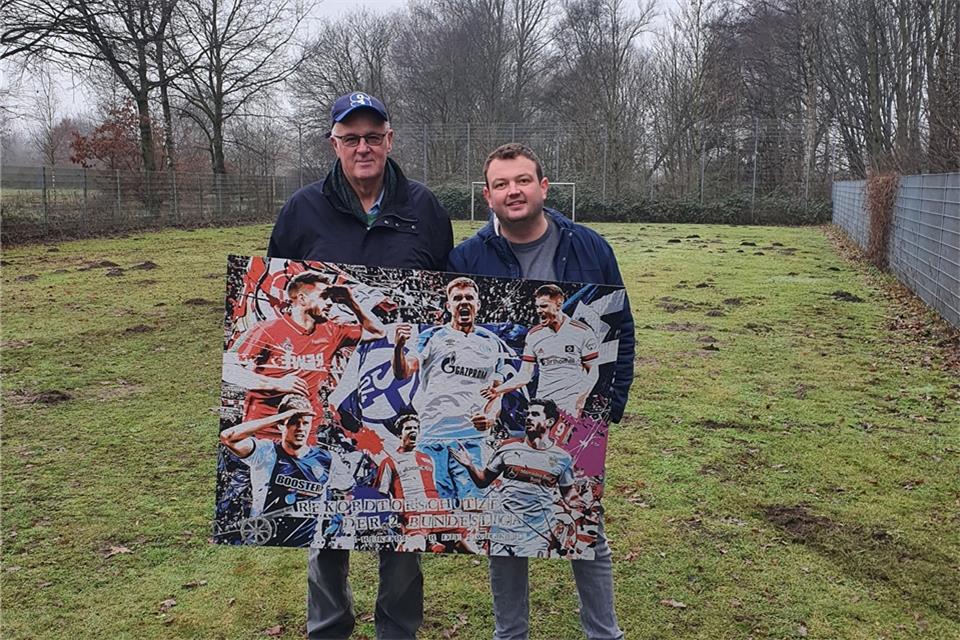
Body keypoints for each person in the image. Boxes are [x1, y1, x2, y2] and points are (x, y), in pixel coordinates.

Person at [267, 91, 453, 640]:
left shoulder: (424, 209)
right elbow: (281, 293)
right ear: (334, 144)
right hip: (330, 391)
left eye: (374, 136)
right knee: (328, 519)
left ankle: (397, 629)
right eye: (352, 138)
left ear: (390, 140)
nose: (364, 147)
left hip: (400, 396)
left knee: (400, 519)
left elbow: (441, 298)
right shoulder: (302, 209)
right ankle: (329, 628)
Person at [448, 143, 635, 640]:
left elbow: (621, 327)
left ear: (544, 187)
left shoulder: (589, 247)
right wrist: (490, 393)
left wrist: (607, 405)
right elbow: (509, 366)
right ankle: (511, 634)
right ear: (487, 195)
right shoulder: (468, 256)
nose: (514, 191)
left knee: (584, 518)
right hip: (521, 412)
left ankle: (604, 632)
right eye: (503, 184)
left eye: (523, 180)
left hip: (578, 418)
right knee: (506, 521)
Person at [224, 271, 385, 442]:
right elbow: (227, 368)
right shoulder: (267, 329)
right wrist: (276, 384)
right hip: (264, 434)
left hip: (305, 435)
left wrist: (351, 301)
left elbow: (379, 333)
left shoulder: (333, 331)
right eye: (324, 297)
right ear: (301, 299)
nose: (330, 303)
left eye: (331, 297)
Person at [392, 276, 511, 500]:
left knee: (472, 507)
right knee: (435, 506)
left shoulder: (491, 342)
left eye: (469, 298)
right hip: (432, 435)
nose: (463, 302)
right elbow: (403, 372)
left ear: (478, 303)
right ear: (449, 305)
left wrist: (491, 417)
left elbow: (498, 392)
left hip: (472, 438)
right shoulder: (432, 336)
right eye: (457, 298)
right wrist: (398, 347)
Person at [450, 398, 578, 557]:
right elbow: (483, 481)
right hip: (502, 533)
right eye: (528, 414)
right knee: (500, 573)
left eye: (535, 414)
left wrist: (586, 506)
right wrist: (469, 465)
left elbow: (569, 495)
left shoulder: (562, 458)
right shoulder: (508, 449)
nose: (529, 417)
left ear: (550, 421)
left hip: (535, 535)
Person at [219, 394, 331, 546]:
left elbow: (346, 492)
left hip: (308, 544)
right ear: (280, 424)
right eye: (293, 422)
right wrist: (284, 415)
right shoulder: (265, 452)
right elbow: (228, 437)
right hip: (265, 541)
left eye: (305, 423)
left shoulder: (327, 459)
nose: (300, 428)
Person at [481, 283, 600, 420]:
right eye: (537, 306)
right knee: (535, 441)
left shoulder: (582, 332)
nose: (538, 311)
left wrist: (580, 400)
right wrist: (496, 391)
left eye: (543, 306)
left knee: (563, 441)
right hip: (541, 406)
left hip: (570, 405)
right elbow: (525, 375)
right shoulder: (534, 335)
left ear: (559, 304)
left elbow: (593, 371)